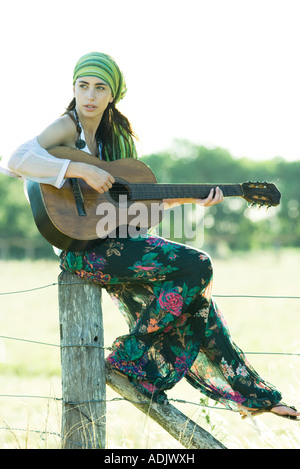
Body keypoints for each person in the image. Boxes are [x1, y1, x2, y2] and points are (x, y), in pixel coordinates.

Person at [3, 52, 299, 421]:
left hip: (114, 242)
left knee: (197, 303)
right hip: (82, 251)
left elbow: (135, 214)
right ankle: (130, 360)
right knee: (198, 264)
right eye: (82, 86)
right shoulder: (69, 127)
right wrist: (79, 169)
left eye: (99, 88)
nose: (89, 96)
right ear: (74, 89)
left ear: (113, 95)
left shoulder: (118, 142)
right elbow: (15, 160)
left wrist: (190, 200)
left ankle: (256, 396)